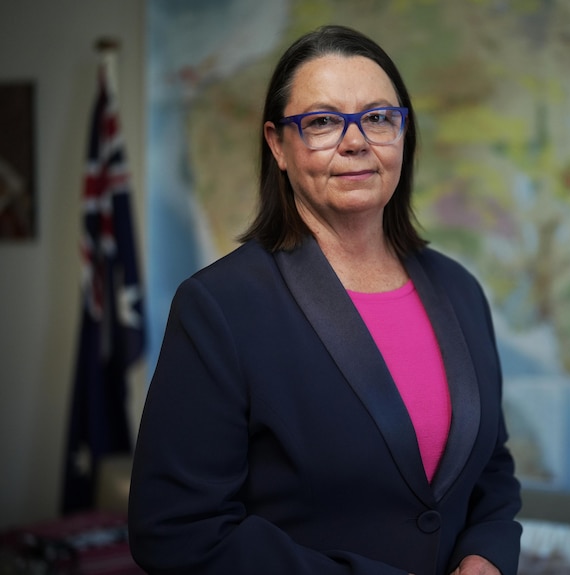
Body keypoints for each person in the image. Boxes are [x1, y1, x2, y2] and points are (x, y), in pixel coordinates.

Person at [128, 24, 522, 575]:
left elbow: (492, 472)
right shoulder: (221, 307)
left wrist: (488, 557)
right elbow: (176, 530)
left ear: (403, 134)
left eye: (379, 118)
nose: (356, 141)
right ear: (278, 145)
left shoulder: (459, 290)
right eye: (322, 122)